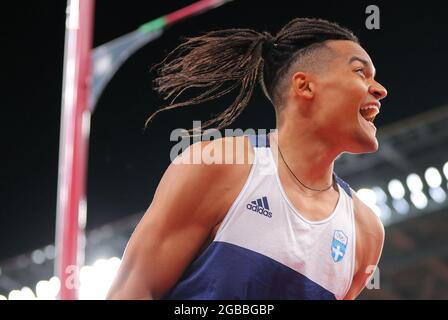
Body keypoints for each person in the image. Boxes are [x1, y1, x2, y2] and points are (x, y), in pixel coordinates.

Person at [106, 17, 387, 300]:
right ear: (304, 86)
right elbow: (133, 291)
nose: (379, 89)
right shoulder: (220, 166)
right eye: (360, 72)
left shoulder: (365, 231)